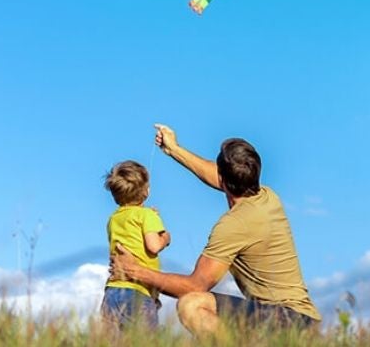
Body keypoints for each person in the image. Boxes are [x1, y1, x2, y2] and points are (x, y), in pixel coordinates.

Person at [110, 124, 321, 336]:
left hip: (288, 322)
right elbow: (217, 174)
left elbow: (195, 286)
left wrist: (135, 271)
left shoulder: (233, 225)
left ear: (224, 179)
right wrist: (173, 148)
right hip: (297, 318)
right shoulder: (268, 197)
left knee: (192, 304)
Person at [101, 160, 171, 329]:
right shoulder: (148, 215)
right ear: (146, 191)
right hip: (138, 291)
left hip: (112, 291)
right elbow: (153, 246)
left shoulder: (113, 219)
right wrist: (165, 237)